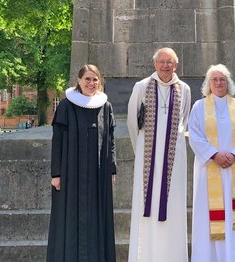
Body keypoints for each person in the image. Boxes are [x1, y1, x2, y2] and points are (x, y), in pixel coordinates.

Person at [127, 47, 191, 262]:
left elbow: (184, 119)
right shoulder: (141, 87)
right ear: (154, 64)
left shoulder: (184, 88)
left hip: (175, 158)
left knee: (173, 204)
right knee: (147, 206)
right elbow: (132, 122)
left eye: (170, 62)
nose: (166, 66)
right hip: (147, 158)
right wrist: (142, 152)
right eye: (162, 62)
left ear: (176, 65)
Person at [47, 64, 117, 262]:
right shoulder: (66, 106)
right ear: (78, 80)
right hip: (71, 173)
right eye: (87, 79)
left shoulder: (105, 106)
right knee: (69, 219)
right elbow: (58, 141)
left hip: (98, 173)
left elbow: (110, 141)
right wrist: (56, 174)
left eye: (95, 79)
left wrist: (111, 170)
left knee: (97, 217)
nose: (91, 83)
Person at [188, 64, 235, 262]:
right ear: (208, 84)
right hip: (210, 170)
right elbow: (195, 136)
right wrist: (214, 155)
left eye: (222, 79)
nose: (219, 83)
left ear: (229, 83)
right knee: (209, 218)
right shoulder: (199, 107)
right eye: (215, 80)